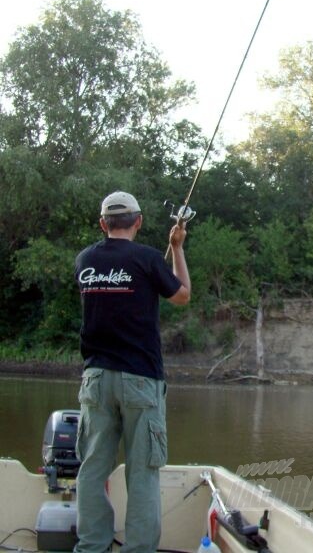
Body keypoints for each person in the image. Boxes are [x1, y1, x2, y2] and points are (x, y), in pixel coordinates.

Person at [74, 191, 191, 553]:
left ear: (102, 223)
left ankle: (91, 547)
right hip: (140, 381)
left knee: (92, 469)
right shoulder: (147, 259)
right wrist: (178, 248)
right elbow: (182, 294)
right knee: (141, 474)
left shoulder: (85, 260)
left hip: (96, 382)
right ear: (138, 221)